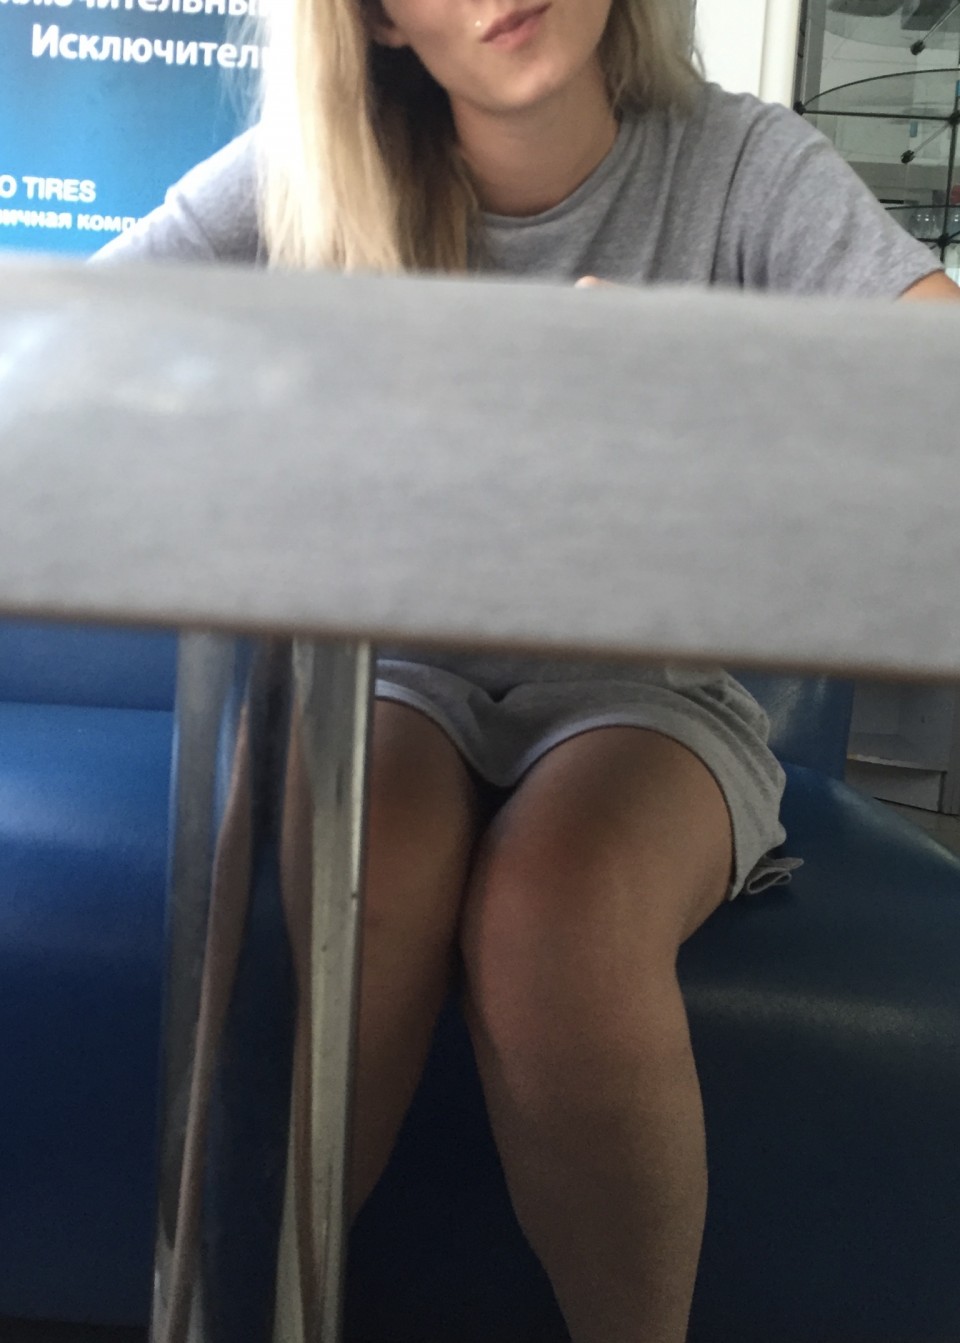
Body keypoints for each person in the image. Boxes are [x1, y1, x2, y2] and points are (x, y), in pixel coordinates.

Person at [97, 3, 960, 1339]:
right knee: (365, 878)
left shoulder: (742, 161)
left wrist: (717, 386)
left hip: (644, 683)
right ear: (379, 22)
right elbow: (61, 348)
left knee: (557, 913)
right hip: (385, 665)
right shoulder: (308, 168)